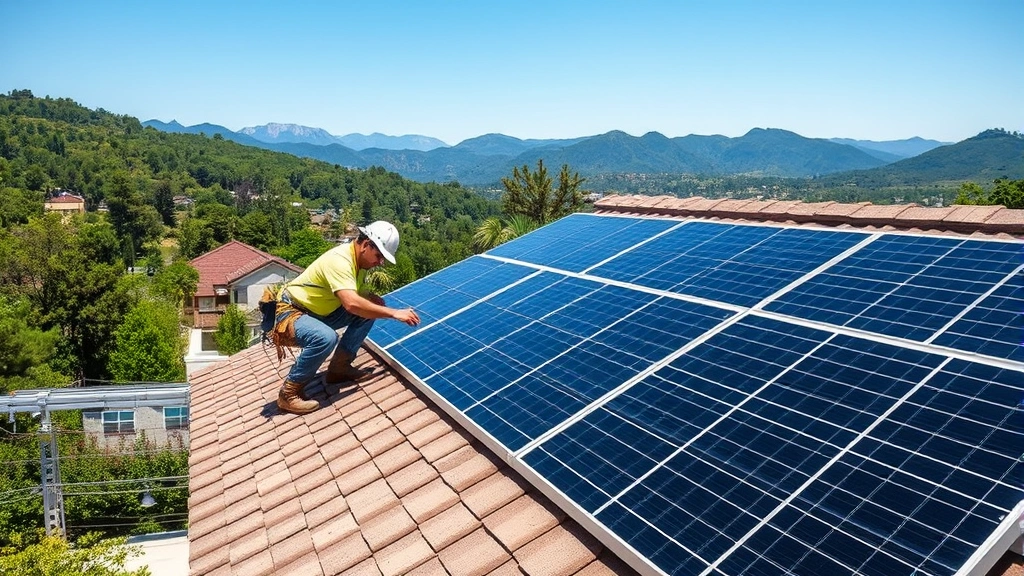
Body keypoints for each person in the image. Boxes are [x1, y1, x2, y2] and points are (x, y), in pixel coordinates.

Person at [275, 221, 420, 414]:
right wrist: (394, 313)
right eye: (379, 256)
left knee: (370, 310)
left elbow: (358, 297)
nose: (380, 262)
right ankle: (288, 394)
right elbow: (351, 303)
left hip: (317, 313)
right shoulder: (340, 260)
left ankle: (339, 369)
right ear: (366, 244)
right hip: (291, 313)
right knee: (326, 338)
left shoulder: (359, 265)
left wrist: (371, 298)